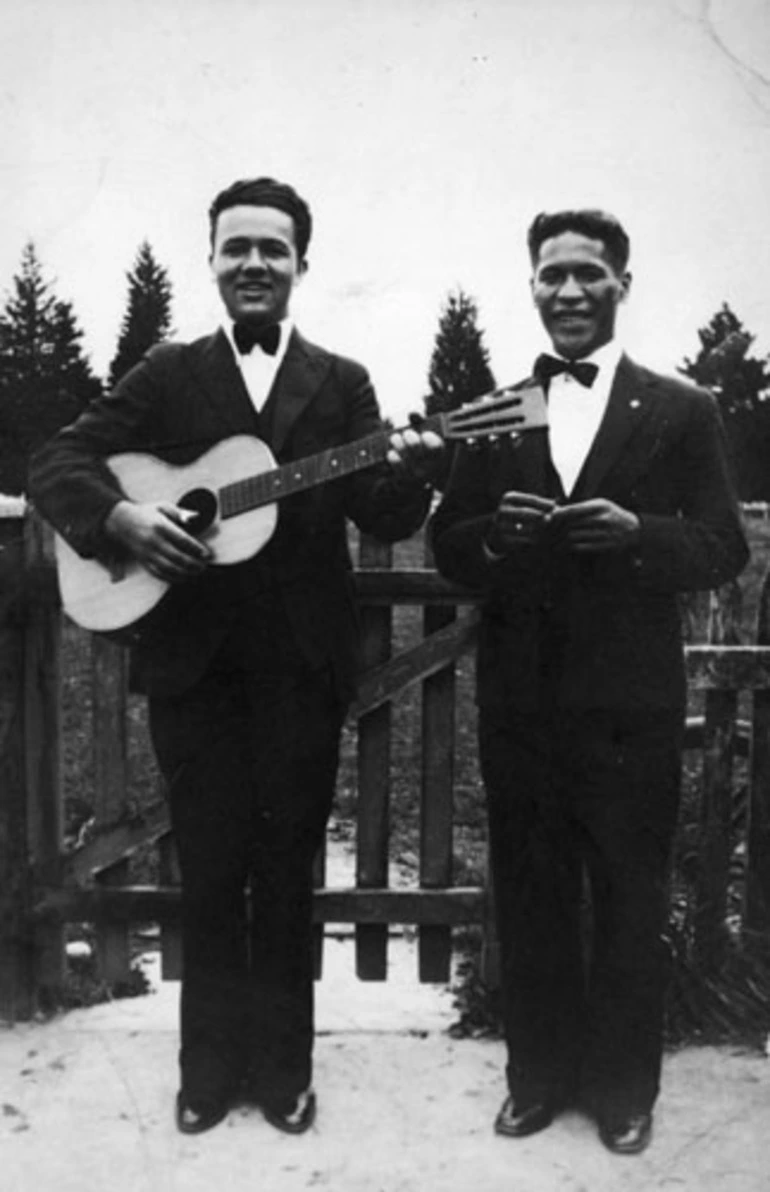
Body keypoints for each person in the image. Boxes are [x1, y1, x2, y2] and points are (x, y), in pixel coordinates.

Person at [29, 177, 441, 1136]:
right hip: (194, 667)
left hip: (300, 668)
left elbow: (382, 509)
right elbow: (58, 460)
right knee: (209, 872)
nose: (255, 263)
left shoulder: (340, 385)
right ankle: (206, 1074)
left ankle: (285, 1072)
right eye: (236, 247)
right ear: (213, 260)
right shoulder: (169, 374)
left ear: (302, 263)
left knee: (287, 871)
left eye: (274, 248)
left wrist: (417, 466)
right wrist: (123, 517)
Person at [429, 209, 749, 1155]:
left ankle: (623, 1094)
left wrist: (639, 536)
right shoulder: (492, 411)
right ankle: (536, 1081)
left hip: (629, 706)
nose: (568, 291)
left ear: (621, 286)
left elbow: (725, 545)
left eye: (589, 274)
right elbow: (450, 542)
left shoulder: (682, 408)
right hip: (521, 700)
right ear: (531, 285)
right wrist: (492, 538)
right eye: (551, 275)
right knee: (528, 891)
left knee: (627, 893)